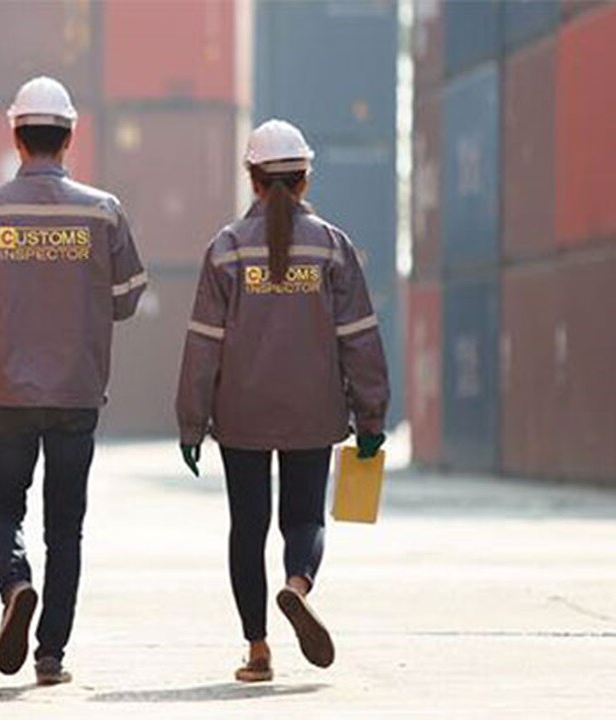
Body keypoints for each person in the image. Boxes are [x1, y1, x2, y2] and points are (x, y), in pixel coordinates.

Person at [0, 76, 148, 686]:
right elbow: (128, 299)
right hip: (77, 392)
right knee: (66, 527)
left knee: (0, 510)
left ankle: (15, 583)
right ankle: (51, 656)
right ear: (70, 136)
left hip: (8, 394)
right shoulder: (103, 211)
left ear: (15, 136)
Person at [174, 119, 389, 682]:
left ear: (252, 177)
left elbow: (203, 344)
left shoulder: (225, 250)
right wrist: (371, 417)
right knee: (304, 519)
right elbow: (359, 339)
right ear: (304, 178)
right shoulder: (333, 247)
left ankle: (258, 651)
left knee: (247, 528)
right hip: (313, 412)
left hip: (241, 414)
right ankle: (296, 586)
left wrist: (191, 424)